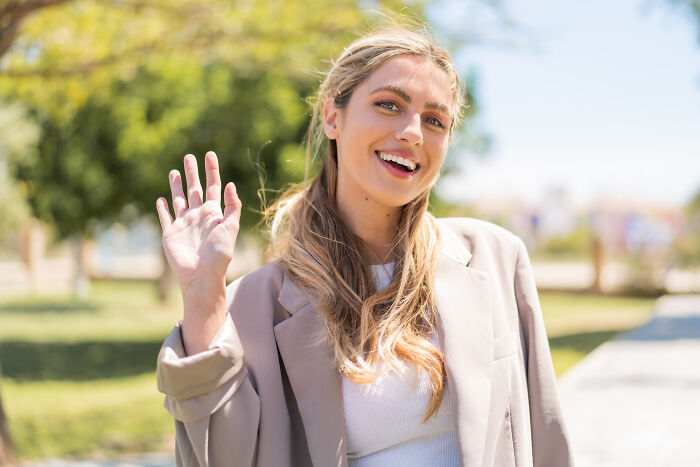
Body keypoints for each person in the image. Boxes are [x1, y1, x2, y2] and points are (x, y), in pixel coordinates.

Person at [155, 26, 573, 467]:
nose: (413, 132)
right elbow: (221, 458)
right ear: (333, 117)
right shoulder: (254, 304)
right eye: (388, 105)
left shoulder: (497, 258)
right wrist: (202, 294)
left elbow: (545, 436)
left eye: (435, 120)